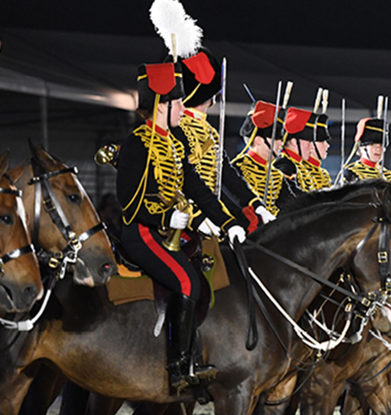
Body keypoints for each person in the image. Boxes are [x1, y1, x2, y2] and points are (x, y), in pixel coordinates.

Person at [116, 60, 246, 396]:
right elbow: (128, 202)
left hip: (167, 231)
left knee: (203, 279)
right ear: (163, 105)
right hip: (142, 232)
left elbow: (199, 189)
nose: (182, 107)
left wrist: (227, 222)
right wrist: (164, 219)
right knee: (187, 282)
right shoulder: (137, 143)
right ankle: (178, 365)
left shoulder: (174, 144)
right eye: (177, 102)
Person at [176, 47, 274, 233]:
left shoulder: (210, 132)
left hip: (213, 208)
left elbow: (225, 174)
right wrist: (199, 218)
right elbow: (184, 181)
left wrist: (254, 204)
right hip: (185, 216)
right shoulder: (179, 129)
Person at [232, 101, 305, 216]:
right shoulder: (236, 168)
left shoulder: (276, 176)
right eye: (276, 138)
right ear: (258, 140)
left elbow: (293, 204)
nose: (281, 143)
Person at [341, 117, 391, 183]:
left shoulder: (390, 176)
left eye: (381, 145)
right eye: (372, 145)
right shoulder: (350, 173)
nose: (378, 149)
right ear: (362, 147)